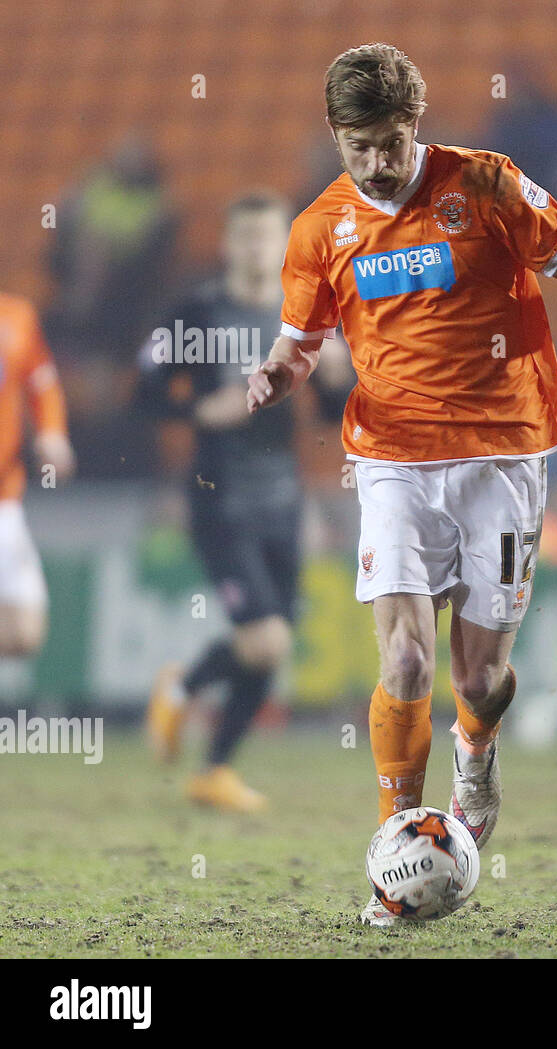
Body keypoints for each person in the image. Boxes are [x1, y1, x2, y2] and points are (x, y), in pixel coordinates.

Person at [244, 43, 557, 924]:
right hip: (392, 460)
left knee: (479, 678)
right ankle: (394, 856)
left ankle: (475, 753)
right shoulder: (318, 229)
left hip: (504, 452)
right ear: (337, 136)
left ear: (419, 124)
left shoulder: (483, 185)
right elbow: (300, 343)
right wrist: (273, 374)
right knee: (404, 657)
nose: (380, 161)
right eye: (362, 144)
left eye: (395, 141)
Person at [139, 193, 348, 811]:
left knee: (274, 642)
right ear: (230, 244)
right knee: (266, 641)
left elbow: (334, 414)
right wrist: (196, 410)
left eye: (268, 238)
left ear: (285, 244)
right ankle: (185, 687)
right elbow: (143, 391)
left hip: (283, 495)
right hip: (219, 495)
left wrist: (338, 380)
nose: (257, 250)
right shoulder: (200, 311)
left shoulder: (305, 311)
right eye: (246, 238)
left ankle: (214, 770)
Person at [0, 293, 74, 658]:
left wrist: (51, 431)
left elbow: (41, 381)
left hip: (4, 499)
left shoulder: (15, 317)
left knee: (23, 634)